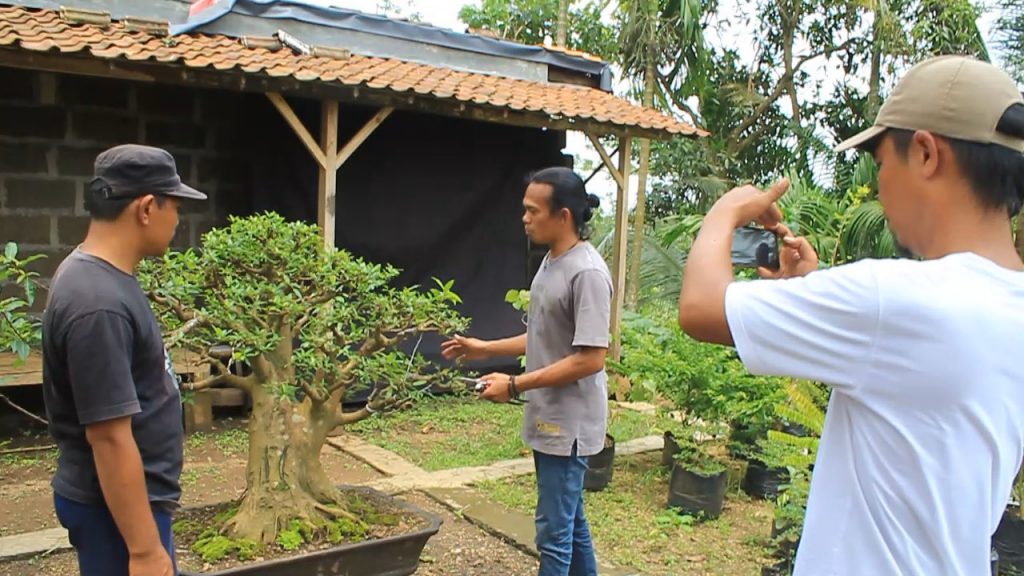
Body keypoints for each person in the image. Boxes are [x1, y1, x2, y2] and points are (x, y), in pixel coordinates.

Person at [677, 55, 1024, 575]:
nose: (881, 186)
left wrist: (725, 210)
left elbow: (700, 309)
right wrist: (815, 292)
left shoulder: (894, 298)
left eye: (882, 163)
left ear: (926, 153)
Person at [42, 144, 207, 576]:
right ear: (147, 208)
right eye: (176, 205)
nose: (178, 219)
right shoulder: (98, 303)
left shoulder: (101, 276)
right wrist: (145, 550)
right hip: (115, 510)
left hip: (124, 503)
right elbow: (109, 437)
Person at [442, 167, 612, 576]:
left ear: (564, 216)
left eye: (533, 211)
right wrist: (484, 349)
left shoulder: (586, 273)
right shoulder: (552, 262)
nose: (525, 218)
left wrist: (515, 384)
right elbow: (543, 337)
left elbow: (591, 357)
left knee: (553, 534)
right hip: (547, 412)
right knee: (571, 524)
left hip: (568, 424)